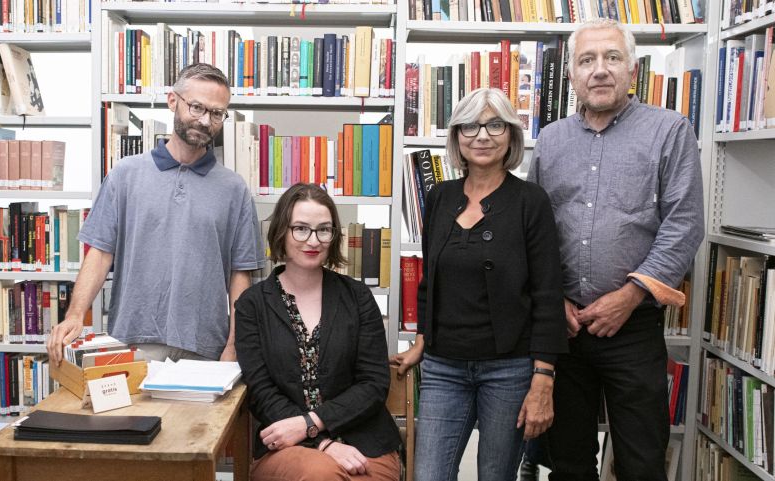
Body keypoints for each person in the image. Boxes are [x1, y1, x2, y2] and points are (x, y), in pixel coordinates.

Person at [527, 19, 704, 481]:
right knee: (567, 463)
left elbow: (684, 225)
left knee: (642, 460)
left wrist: (630, 295)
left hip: (633, 324)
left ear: (632, 69)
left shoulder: (670, 130)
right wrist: (555, 301)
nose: (600, 70)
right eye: (587, 60)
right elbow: (535, 232)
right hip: (564, 331)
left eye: (612, 58)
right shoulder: (551, 140)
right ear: (572, 76)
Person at [390, 88, 567, 481]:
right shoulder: (440, 196)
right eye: (470, 125)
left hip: (509, 369)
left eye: (495, 124)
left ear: (511, 136)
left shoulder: (530, 201)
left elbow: (548, 293)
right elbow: (431, 278)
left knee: (495, 475)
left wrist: (543, 376)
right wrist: (421, 340)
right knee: (429, 474)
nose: (482, 135)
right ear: (456, 136)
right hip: (443, 366)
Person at [47, 63, 265, 364]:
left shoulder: (234, 189)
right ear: (173, 101)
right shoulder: (125, 174)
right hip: (132, 342)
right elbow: (99, 255)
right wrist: (74, 316)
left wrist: (234, 345)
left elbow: (240, 275)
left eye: (216, 113)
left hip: (204, 348)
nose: (204, 121)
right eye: (197, 107)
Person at [234, 183, 401, 481]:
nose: (313, 240)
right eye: (301, 228)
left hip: (365, 441)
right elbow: (261, 392)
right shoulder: (253, 304)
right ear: (281, 232)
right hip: (286, 444)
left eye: (324, 230)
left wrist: (313, 421)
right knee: (322, 475)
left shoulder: (359, 297)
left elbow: (374, 383)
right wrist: (320, 441)